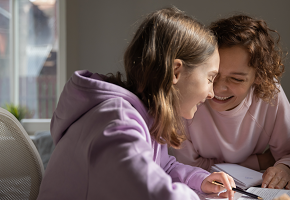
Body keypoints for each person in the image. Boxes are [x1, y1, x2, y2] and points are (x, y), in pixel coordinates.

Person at [37, 7, 236, 200]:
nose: (211, 93)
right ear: (176, 71)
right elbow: (152, 193)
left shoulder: (144, 117)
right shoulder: (117, 121)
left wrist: (200, 180)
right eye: (210, 78)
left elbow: (163, 168)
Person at [171, 14, 290, 190]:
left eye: (236, 79)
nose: (219, 89)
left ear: (259, 77)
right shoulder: (190, 95)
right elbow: (183, 167)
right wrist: (259, 161)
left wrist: (285, 168)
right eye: (213, 75)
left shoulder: (269, 92)